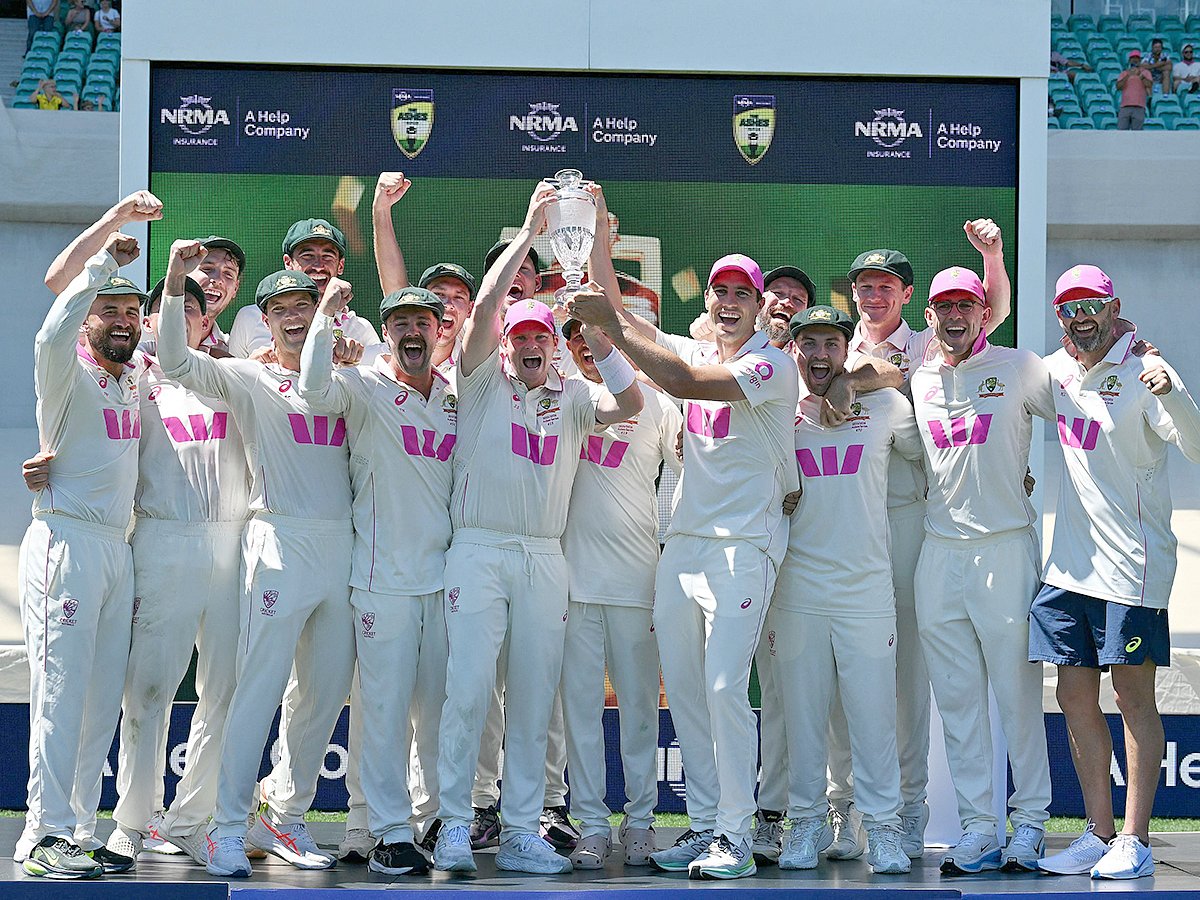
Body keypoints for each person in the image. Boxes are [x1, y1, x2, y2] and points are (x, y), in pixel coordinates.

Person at [431, 182, 643, 876]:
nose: (527, 345)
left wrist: (600, 335)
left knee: (532, 697)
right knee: (467, 692)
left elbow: (633, 399)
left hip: (545, 558)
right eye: (518, 336)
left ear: (554, 347)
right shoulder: (481, 381)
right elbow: (487, 307)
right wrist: (528, 228)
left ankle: (523, 829)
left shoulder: (574, 394)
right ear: (503, 344)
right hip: (480, 550)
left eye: (539, 338)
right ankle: (457, 823)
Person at [568, 252, 798, 881]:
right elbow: (631, 324)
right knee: (690, 693)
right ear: (707, 304)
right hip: (684, 546)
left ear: (759, 305)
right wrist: (597, 237)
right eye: (717, 291)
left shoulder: (772, 363)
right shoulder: (697, 351)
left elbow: (684, 383)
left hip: (743, 546)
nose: (727, 302)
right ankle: (703, 826)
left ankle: (736, 834)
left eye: (740, 294)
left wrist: (609, 320)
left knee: (725, 686)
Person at [155, 248, 360, 878]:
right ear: (264, 322)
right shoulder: (246, 376)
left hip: (341, 548)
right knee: (257, 691)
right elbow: (170, 360)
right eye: (281, 311)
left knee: (322, 695)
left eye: (305, 306)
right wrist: (170, 281)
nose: (295, 319)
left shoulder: (351, 379)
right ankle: (223, 826)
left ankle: (287, 818)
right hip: (278, 544)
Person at [817, 223, 1011, 864]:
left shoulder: (931, 344)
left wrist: (990, 258)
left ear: (906, 296)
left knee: (903, 679)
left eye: (885, 288)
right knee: (845, 675)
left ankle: (902, 812)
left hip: (908, 522)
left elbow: (995, 311)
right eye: (863, 288)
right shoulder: (830, 351)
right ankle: (842, 806)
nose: (873, 298)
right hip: (840, 522)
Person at [1032, 266, 1200, 880]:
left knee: (1133, 700)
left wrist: (1170, 391)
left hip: (1134, 569)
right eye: (1069, 307)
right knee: (1075, 697)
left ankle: (1136, 839)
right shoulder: (1056, 372)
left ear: (1114, 307)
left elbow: (1198, 447)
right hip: (1068, 570)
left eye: (1093, 306)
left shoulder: (1148, 372)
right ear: (1060, 315)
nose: (1082, 317)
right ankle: (1097, 834)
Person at [298, 285, 458, 877]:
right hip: (380, 578)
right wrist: (323, 318)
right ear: (386, 333)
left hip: (443, 581)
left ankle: (434, 817)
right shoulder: (362, 385)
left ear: (440, 331)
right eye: (401, 324)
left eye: (423, 322)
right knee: (385, 711)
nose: (413, 333)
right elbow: (312, 391)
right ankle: (390, 831)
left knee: (440, 712)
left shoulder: (452, 397)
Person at [909, 265, 1055, 876]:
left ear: (984, 311)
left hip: (1004, 550)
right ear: (931, 316)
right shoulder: (917, 379)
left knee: (1017, 697)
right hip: (938, 554)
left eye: (966, 304)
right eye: (944, 306)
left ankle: (1031, 826)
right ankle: (978, 829)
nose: (955, 315)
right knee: (959, 702)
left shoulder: (1020, 367)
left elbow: (1083, 411)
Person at [768, 305, 923, 876]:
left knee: (873, 715)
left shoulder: (883, 406)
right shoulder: (778, 406)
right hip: (798, 587)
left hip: (865, 588)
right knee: (804, 716)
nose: (820, 356)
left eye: (831, 344)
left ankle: (882, 828)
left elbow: (934, 460)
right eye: (808, 344)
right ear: (796, 351)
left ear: (846, 349)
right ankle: (806, 824)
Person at [16, 230, 146, 879]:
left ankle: (78, 828)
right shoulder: (64, 368)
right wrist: (101, 264)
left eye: (131, 312)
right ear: (88, 316)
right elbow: (48, 331)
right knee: (61, 694)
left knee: (100, 701)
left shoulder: (136, 376)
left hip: (115, 552)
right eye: (109, 310)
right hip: (64, 541)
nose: (122, 322)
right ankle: (42, 833)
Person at [555, 222, 685, 870]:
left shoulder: (658, 406)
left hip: (639, 579)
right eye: (578, 341)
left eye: (597, 339)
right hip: (573, 584)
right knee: (579, 714)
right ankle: (588, 825)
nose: (588, 349)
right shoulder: (557, 402)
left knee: (638, 712)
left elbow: (694, 468)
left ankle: (640, 823)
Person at [227, 218, 379, 358]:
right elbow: (232, 382)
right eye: (307, 255)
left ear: (340, 265)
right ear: (288, 263)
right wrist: (252, 367)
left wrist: (351, 367)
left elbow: (379, 382)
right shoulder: (251, 317)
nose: (318, 265)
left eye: (327, 256)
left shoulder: (359, 328)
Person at [1117, 52, 1153, 130]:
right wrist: (1128, 75)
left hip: (1139, 106)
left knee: (1137, 133)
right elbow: (1118, 86)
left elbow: (1149, 84)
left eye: (1137, 58)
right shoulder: (1124, 73)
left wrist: (1140, 75)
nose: (1135, 60)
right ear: (1130, 60)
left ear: (1140, 60)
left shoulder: (1146, 72)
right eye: (1133, 58)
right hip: (1125, 106)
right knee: (1121, 132)